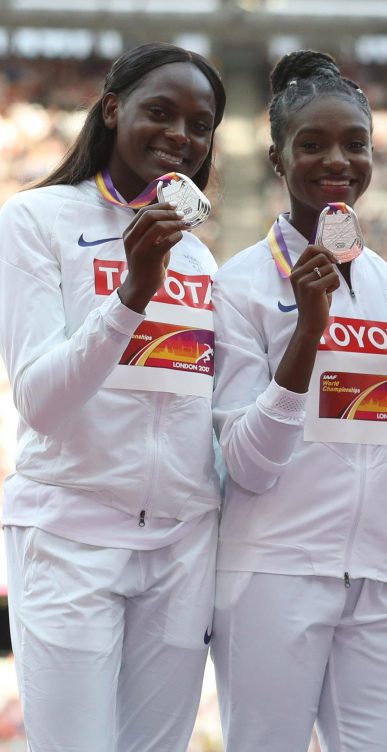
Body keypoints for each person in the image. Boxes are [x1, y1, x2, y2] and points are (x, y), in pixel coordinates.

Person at [210, 50, 387, 751]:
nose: (338, 161)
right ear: (276, 158)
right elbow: (248, 465)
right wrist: (308, 332)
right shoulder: (240, 286)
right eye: (312, 144)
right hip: (273, 576)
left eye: (355, 144)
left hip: (385, 577)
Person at [0, 43, 226, 751]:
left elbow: (205, 407)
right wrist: (131, 291)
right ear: (111, 108)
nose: (180, 137)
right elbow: (39, 400)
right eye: (160, 112)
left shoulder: (197, 254)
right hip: (71, 539)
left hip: (181, 547)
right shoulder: (35, 220)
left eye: (199, 124)